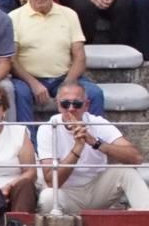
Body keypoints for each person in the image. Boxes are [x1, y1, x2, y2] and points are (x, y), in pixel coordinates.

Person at [10, 0, 105, 128]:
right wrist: (34, 84)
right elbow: (11, 59)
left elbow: (79, 56)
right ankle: (30, 148)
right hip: (28, 79)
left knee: (95, 94)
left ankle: (92, 144)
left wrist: (67, 84)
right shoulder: (13, 17)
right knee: (19, 93)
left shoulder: (69, 15)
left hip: (63, 77)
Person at [35, 81, 149, 214]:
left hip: (97, 189)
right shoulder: (47, 129)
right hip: (67, 193)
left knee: (126, 172)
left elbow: (136, 157)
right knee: (47, 197)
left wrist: (96, 143)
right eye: (65, 104)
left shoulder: (98, 123)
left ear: (86, 105)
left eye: (77, 104)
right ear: (58, 104)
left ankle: (146, 219)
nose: (71, 109)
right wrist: (77, 149)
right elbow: (52, 181)